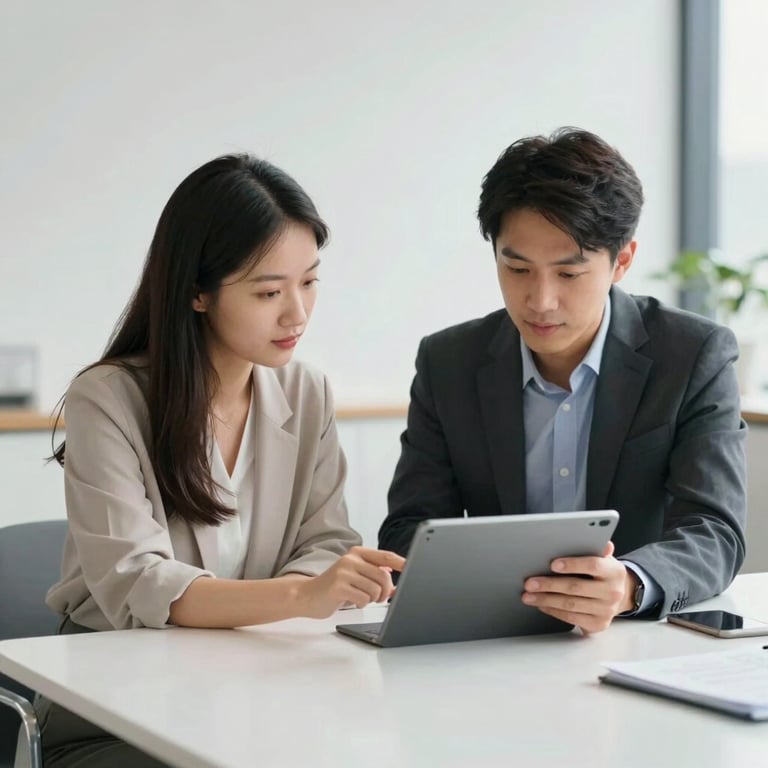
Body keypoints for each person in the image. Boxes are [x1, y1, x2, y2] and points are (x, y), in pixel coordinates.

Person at [42, 154, 404, 767]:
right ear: (197, 294)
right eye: (268, 291)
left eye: (310, 281)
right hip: (119, 706)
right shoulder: (107, 397)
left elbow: (326, 540)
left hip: (262, 689)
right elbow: (137, 583)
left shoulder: (305, 391)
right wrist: (298, 598)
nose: (297, 313)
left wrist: (314, 588)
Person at [379, 127, 747, 634]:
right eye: (518, 269)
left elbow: (714, 533)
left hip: (638, 640)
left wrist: (630, 584)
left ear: (622, 261)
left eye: (569, 274)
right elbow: (407, 530)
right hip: (488, 642)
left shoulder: (692, 356)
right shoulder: (449, 362)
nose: (540, 301)